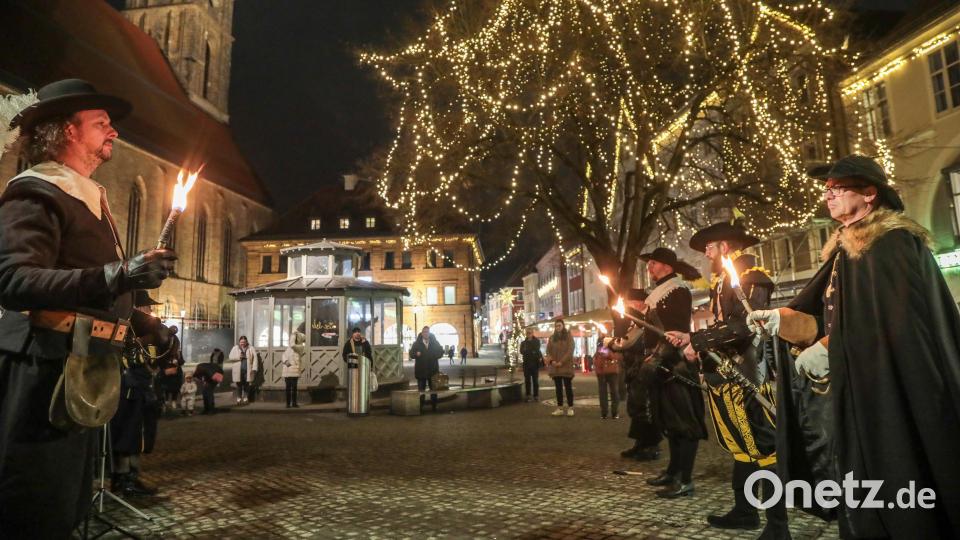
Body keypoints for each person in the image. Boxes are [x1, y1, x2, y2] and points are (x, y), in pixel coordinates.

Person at [747, 155, 960, 539]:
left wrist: (832, 348)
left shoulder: (890, 244)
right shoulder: (846, 251)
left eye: (837, 189)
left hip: (889, 393)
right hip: (856, 390)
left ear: (869, 194)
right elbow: (829, 316)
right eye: (827, 190)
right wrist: (783, 320)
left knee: (895, 478)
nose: (828, 196)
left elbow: (897, 328)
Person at [0, 79, 176, 537]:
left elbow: (88, 287)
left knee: (68, 502)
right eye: (101, 123)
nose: (113, 131)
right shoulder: (37, 191)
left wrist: (143, 322)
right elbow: (14, 281)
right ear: (68, 130)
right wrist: (119, 275)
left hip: (78, 364)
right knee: (35, 505)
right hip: (41, 367)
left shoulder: (84, 195)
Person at [664, 218, 787, 537]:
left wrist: (698, 341)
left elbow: (745, 326)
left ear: (726, 246)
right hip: (726, 376)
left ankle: (778, 526)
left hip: (749, 375)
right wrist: (692, 338)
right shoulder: (724, 282)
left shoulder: (753, 278)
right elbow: (724, 326)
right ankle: (745, 512)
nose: (706, 254)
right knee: (741, 445)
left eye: (710, 247)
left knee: (764, 448)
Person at [631, 248, 705, 499]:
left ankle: (685, 479)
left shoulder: (677, 290)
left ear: (667, 266)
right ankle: (673, 471)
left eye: (653, 263)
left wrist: (658, 357)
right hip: (662, 366)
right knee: (670, 424)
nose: (649, 267)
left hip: (675, 366)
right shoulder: (659, 292)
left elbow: (676, 331)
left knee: (684, 423)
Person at [611, 288, 662, 461]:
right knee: (636, 407)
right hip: (635, 369)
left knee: (646, 408)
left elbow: (630, 342)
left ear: (638, 303)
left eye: (629, 303)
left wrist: (613, 343)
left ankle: (651, 446)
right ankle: (640, 443)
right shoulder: (636, 320)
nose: (626, 306)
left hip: (645, 368)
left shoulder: (648, 318)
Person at [409, 326, 443, 413]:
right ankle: (420, 407)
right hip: (421, 371)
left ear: (429, 333)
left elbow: (441, 352)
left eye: (427, 332)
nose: (426, 333)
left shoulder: (434, 342)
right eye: (424, 332)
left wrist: (435, 355)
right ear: (422, 333)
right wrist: (416, 354)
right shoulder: (416, 343)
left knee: (433, 390)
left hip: (433, 371)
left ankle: (434, 407)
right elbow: (411, 354)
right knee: (421, 391)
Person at [545, 319, 575, 416]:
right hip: (556, 367)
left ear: (563, 326)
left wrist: (561, 362)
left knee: (568, 387)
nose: (558, 327)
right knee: (558, 389)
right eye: (556, 326)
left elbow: (570, 350)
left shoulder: (568, 337)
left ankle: (570, 407)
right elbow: (548, 351)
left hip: (566, 366)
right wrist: (552, 361)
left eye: (559, 325)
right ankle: (560, 408)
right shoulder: (552, 338)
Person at [593, 334, 620, 419]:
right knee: (603, 393)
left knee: (614, 392)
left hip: (611, 372)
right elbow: (597, 360)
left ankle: (614, 412)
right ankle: (604, 412)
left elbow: (617, 357)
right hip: (602, 373)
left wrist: (607, 352)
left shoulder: (613, 348)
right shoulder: (600, 349)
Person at [157, 325, 184, 413]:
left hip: (174, 372)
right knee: (165, 387)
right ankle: (165, 402)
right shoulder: (165, 339)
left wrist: (177, 361)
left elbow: (181, 360)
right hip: (167, 369)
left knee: (175, 387)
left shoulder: (175, 342)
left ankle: (173, 401)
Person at [228, 336, 259, 405]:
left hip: (247, 369)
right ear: (239, 342)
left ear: (246, 342)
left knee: (246, 384)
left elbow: (255, 359)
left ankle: (245, 398)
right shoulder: (235, 348)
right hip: (238, 370)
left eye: (244, 342)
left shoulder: (251, 348)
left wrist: (254, 368)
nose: (242, 343)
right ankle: (239, 398)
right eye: (241, 342)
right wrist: (238, 357)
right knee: (239, 384)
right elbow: (230, 357)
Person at [282, 326, 306, 408]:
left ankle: (293, 403)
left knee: (294, 388)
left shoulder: (299, 348)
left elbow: (293, 345)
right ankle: (288, 403)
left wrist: (295, 334)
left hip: (294, 370)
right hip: (287, 370)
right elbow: (284, 355)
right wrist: (286, 361)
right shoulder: (289, 348)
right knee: (288, 388)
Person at [519, 328, 543, 402]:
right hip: (526, 364)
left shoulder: (537, 341)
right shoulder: (523, 343)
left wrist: (529, 351)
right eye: (527, 333)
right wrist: (531, 351)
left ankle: (536, 395)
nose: (528, 334)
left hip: (534, 364)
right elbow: (521, 351)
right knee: (527, 381)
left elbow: (536, 350)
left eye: (530, 333)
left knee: (535, 381)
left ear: (532, 333)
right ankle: (528, 395)